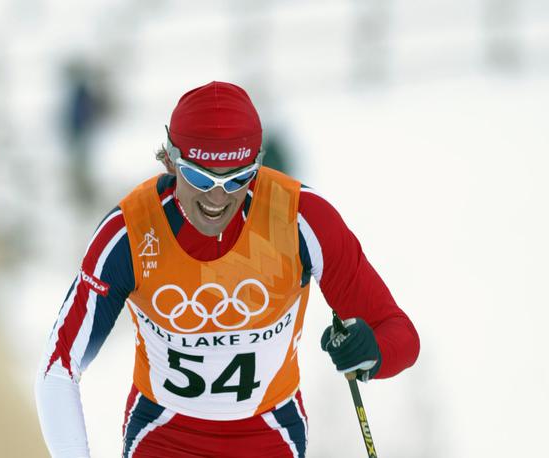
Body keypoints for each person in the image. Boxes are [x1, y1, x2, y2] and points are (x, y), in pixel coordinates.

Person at [35, 81, 420, 458]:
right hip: (164, 433)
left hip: (271, 434)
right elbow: (58, 368)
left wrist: (373, 352)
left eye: (237, 178)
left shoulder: (300, 219)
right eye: (200, 177)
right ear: (170, 159)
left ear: (257, 163)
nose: (218, 197)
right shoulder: (131, 233)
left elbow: (400, 334)